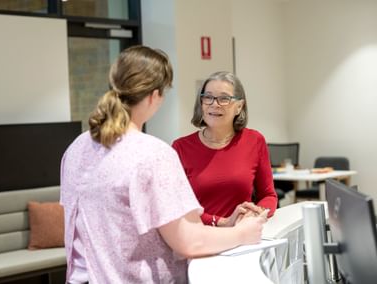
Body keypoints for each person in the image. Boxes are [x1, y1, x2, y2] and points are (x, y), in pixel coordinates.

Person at [60, 46, 266, 283]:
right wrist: (241, 233)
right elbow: (189, 241)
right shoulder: (153, 154)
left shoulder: (77, 148)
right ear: (155, 95)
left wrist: (224, 225)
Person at [172, 71, 278, 227]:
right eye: (208, 97)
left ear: (239, 106)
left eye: (224, 99)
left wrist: (255, 213)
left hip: (243, 239)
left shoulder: (255, 141)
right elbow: (177, 207)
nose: (215, 104)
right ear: (201, 103)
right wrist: (223, 222)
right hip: (200, 239)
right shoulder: (180, 148)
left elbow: (268, 195)